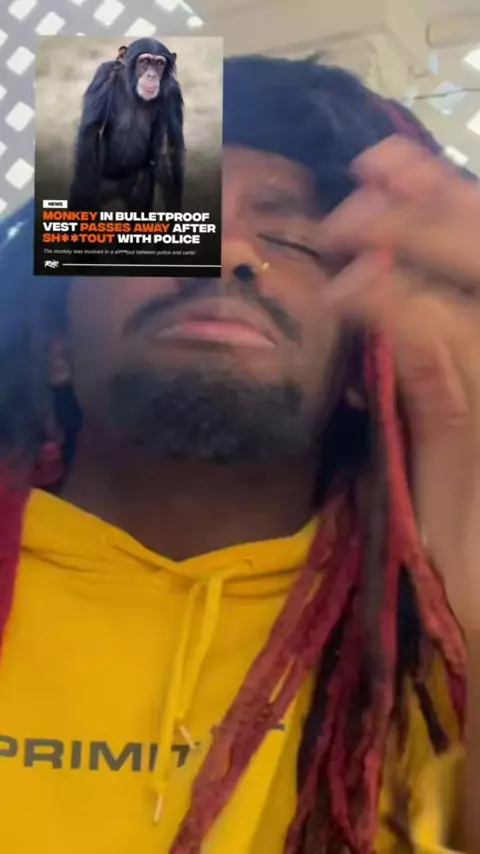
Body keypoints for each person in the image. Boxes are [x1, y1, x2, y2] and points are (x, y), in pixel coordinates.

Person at [0, 54, 479, 854]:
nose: (223, 253)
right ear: (55, 344)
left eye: (293, 237)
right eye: (164, 228)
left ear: (365, 368)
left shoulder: (439, 642)